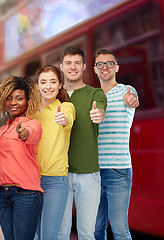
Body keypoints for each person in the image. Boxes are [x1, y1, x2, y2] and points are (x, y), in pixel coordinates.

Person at [57, 46, 107, 240]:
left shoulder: (95, 94)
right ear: (61, 66)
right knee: (61, 232)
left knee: (87, 233)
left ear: (84, 66)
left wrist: (99, 114)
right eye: (68, 63)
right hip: (59, 174)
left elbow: (101, 108)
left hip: (88, 173)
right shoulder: (53, 94)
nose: (73, 67)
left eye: (77, 63)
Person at [0, 76, 43, 240]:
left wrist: (24, 133)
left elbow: (31, 135)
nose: (13, 102)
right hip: (2, 195)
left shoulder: (32, 125)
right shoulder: (2, 130)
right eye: (9, 98)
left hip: (25, 194)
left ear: (28, 101)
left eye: (19, 98)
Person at [93, 49, 139, 240]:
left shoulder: (126, 91)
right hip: (93, 171)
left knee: (120, 229)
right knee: (96, 229)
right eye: (100, 64)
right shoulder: (92, 96)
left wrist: (132, 100)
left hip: (118, 169)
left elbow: (132, 100)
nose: (105, 67)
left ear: (117, 67)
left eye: (109, 63)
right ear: (95, 70)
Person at [33, 65, 75, 240]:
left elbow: (68, 119)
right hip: (30, 181)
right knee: (34, 235)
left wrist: (63, 119)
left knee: (48, 235)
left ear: (59, 85)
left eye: (53, 82)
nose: (48, 86)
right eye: (43, 82)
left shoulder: (66, 108)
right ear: (37, 86)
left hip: (55, 181)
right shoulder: (31, 112)